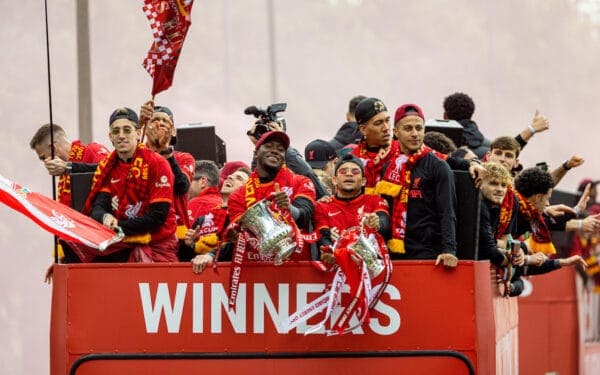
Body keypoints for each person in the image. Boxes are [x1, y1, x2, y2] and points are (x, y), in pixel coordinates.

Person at [69, 107, 178, 263]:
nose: (121, 136)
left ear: (139, 133)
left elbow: (157, 217)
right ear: (110, 137)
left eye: (127, 130)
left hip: (155, 243)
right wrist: (106, 217)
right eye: (116, 131)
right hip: (121, 239)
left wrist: (118, 226)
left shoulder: (157, 163)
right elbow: (98, 206)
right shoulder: (108, 167)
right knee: (71, 242)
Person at [375, 103, 458, 267]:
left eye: (419, 128)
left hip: (428, 253)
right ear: (396, 132)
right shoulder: (389, 167)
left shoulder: (438, 166)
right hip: (395, 252)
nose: (415, 134)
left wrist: (449, 250)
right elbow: (384, 209)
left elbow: (447, 211)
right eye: (408, 128)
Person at [228, 131, 316, 262]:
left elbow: (305, 215)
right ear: (256, 153)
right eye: (269, 146)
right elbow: (242, 234)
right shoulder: (238, 196)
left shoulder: (301, 182)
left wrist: (289, 208)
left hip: (297, 268)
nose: (275, 151)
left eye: (280, 149)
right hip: (257, 268)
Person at [313, 154, 390, 263]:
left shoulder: (375, 201)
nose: (349, 174)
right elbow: (323, 237)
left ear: (363, 181)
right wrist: (330, 252)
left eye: (355, 172)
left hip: (371, 268)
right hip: (335, 270)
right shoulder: (322, 206)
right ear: (334, 180)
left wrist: (377, 225)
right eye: (343, 171)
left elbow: (385, 223)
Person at [139, 102, 195, 240]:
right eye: (155, 120)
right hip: (142, 232)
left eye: (165, 121)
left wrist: (164, 151)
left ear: (174, 131)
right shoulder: (137, 156)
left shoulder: (184, 158)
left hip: (177, 234)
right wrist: (138, 124)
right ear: (146, 129)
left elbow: (181, 187)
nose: (160, 124)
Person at [185, 167, 251, 268]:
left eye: (239, 178)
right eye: (230, 176)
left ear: (248, 190)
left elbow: (238, 248)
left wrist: (211, 255)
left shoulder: (245, 219)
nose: (230, 177)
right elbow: (184, 259)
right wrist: (189, 245)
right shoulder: (203, 219)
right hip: (201, 280)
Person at [29, 123, 108, 207]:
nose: (45, 163)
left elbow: (111, 171)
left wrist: (69, 167)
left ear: (53, 148)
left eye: (43, 158)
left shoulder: (92, 150)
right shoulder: (63, 175)